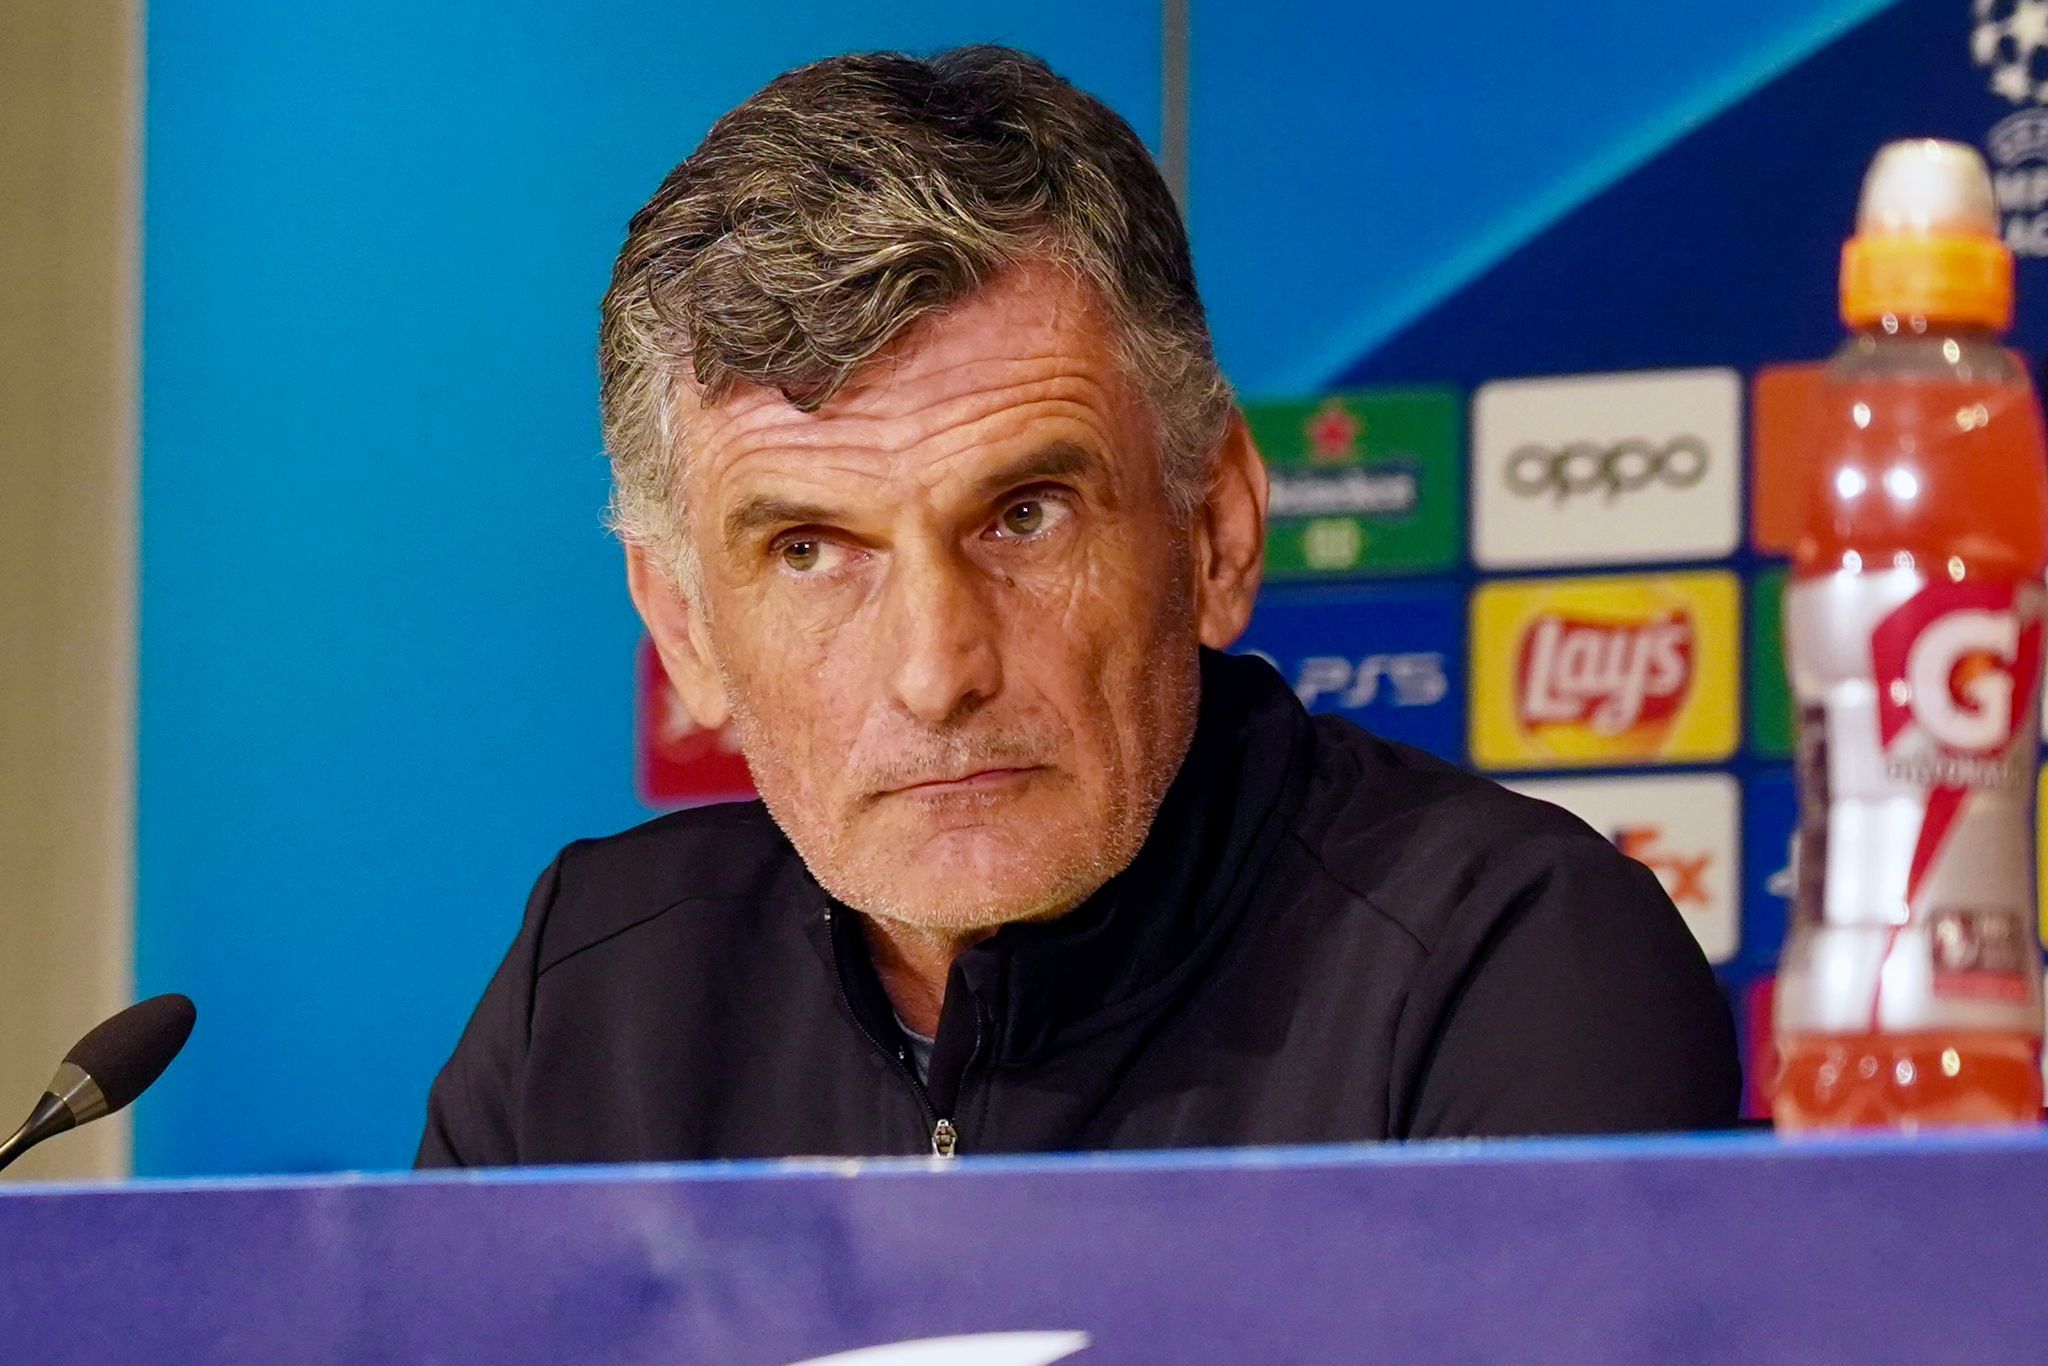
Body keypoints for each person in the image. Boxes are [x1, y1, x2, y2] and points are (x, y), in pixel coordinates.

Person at [416, 46, 1738, 1166]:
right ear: (686, 628)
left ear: (1215, 528)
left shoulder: (1504, 964)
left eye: (1024, 516)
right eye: (812, 550)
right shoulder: (586, 999)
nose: (939, 671)